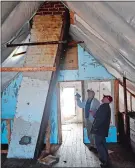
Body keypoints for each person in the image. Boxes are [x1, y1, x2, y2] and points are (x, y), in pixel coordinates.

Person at [91, 95, 113, 168]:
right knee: (103, 144)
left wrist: (95, 127)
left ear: (107, 99)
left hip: (99, 129)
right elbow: (98, 116)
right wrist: (94, 114)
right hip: (102, 129)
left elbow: (100, 119)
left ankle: (105, 161)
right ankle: (106, 159)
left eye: (104, 97)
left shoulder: (104, 106)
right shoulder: (105, 107)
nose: (102, 98)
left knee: (99, 145)